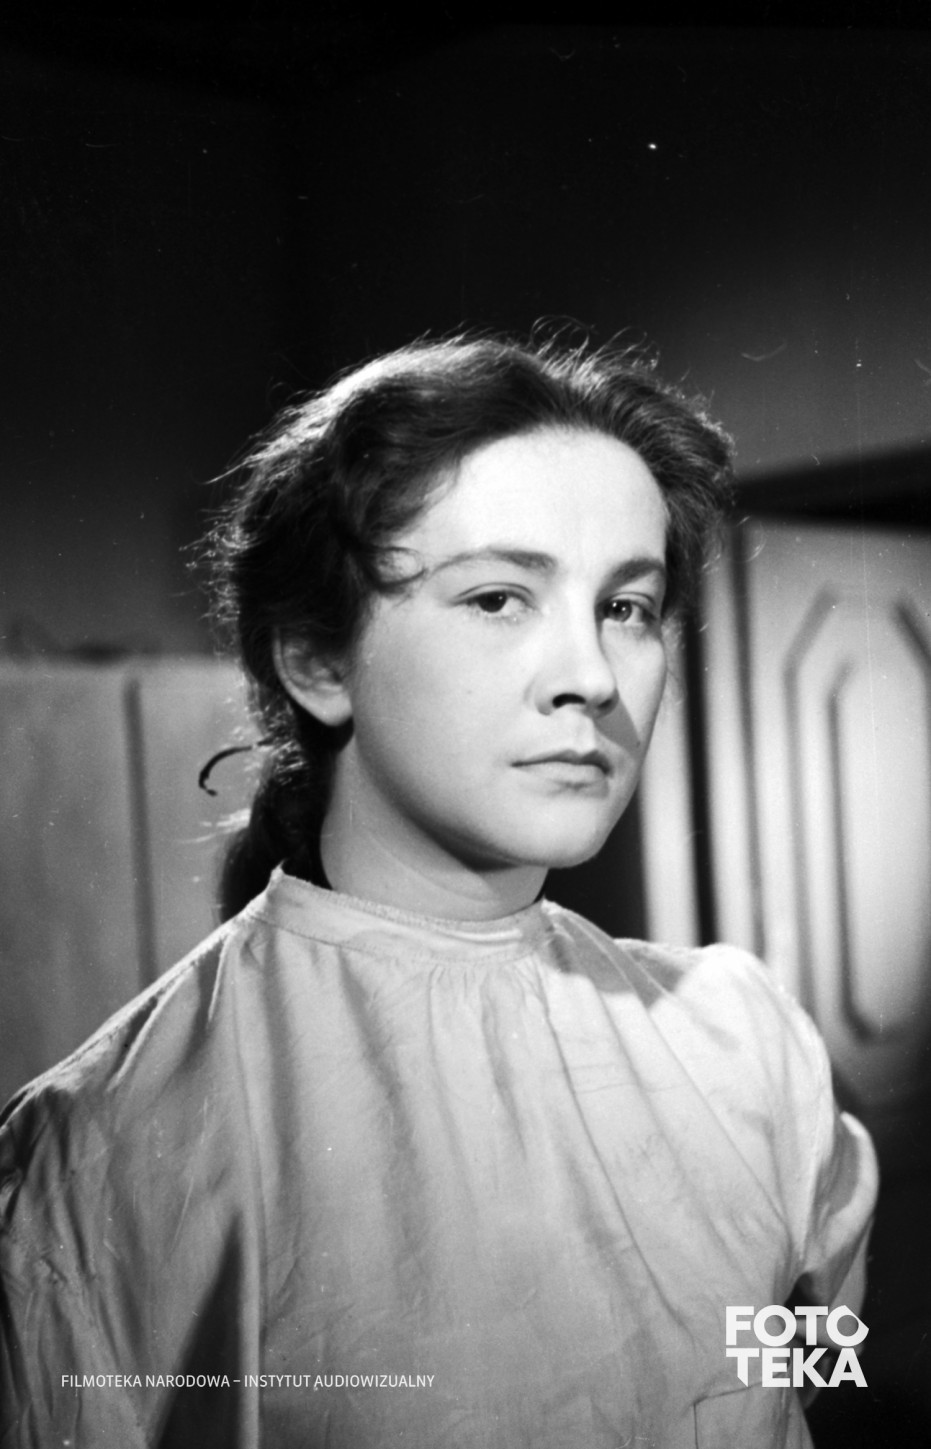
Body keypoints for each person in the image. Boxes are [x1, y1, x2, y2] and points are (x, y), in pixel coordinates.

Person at [0, 335, 877, 1447]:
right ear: (316, 659)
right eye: (500, 598)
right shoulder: (109, 1148)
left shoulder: (743, 1043)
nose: (591, 678)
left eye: (626, 606)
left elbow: (806, 1386)